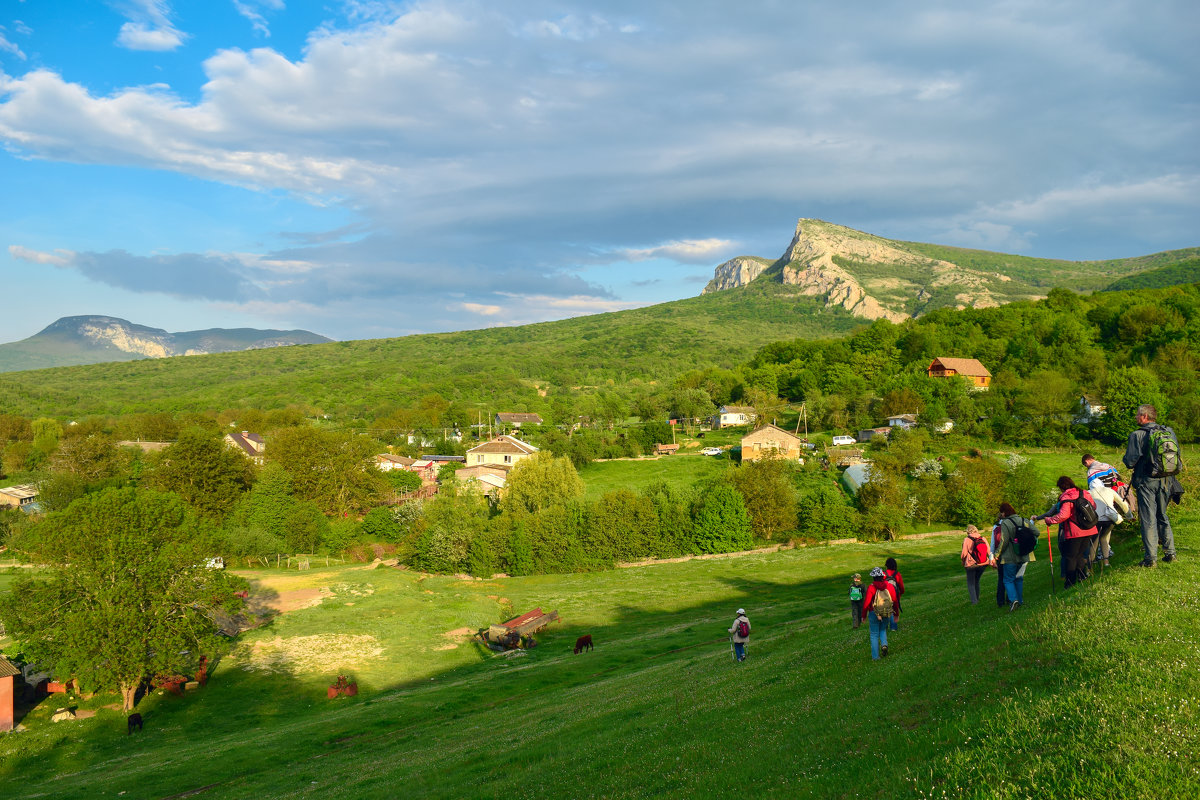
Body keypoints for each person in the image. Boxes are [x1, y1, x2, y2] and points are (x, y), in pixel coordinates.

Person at [1123, 404, 1178, 567]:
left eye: (1137, 415)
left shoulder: (1137, 435)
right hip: (1167, 480)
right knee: (1162, 516)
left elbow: (1130, 461)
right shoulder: (1169, 431)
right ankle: (1170, 553)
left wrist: (1126, 459)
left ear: (1144, 417)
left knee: (1148, 519)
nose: (1135, 417)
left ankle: (1150, 559)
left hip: (1146, 481)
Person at [1034, 476, 1098, 587]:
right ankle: (1082, 577)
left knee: (1070, 557)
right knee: (1079, 555)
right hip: (1089, 528)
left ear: (1061, 487)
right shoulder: (1084, 493)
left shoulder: (1066, 497)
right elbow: (1093, 506)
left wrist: (1049, 520)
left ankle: (1070, 582)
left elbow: (1064, 515)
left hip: (1075, 531)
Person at [995, 503, 1032, 611]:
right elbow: (1036, 532)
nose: (1001, 515)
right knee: (1019, 578)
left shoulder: (1006, 523)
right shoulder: (1024, 520)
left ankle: (1013, 599)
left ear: (1004, 512)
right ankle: (1020, 601)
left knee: (1008, 579)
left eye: (1001, 512)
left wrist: (996, 555)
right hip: (1024, 555)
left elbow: (1004, 541)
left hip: (1010, 557)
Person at [1087, 473, 1124, 569]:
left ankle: (1090, 565)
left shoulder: (1088, 493)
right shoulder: (1109, 490)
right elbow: (1122, 503)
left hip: (1095, 520)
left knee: (1094, 541)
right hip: (1109, 519)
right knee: (1103, 539)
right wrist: (1129, 515)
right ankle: (1106, 562)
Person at [862, 567, 898, 660]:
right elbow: (894, 600)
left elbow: (866, 603)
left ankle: (876, 657)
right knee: (882, 630)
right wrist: (896, 614)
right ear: (883, 576)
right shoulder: (889, 586)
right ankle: (884, 645)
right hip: (886, 612)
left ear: (873, 577)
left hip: (874, 613)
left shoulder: (871, 587)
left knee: (874, 634)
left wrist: (863, 616)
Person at [960, 524, 990, 605]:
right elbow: (989, 550)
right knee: (976, 581)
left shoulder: (966, 539)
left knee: (971, 583)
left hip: (971, 564)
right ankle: (977, 598)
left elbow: (964, 554)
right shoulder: (983, 538)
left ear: (968, 531)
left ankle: (974, 601)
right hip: (983, 563)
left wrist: (963, 561)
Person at [991, 519, 1009, 607]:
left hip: (999, 556)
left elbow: (993, 544)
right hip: (1009, 555)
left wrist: (992, 557)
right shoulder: (1010, 524)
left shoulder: (996, 527)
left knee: (1001, 578)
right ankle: (1009, 599)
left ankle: (1000, 601)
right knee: (1010, 578)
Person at [884, 557, 904, 630]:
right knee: (893, 610)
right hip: (895, 595)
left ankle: (884, 627)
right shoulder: (897, 574)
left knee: (884, 611)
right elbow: (901, 587)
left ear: (886, 565)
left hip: (884, 596)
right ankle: (893, 627)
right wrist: (900, 594)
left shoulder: (883, 574)